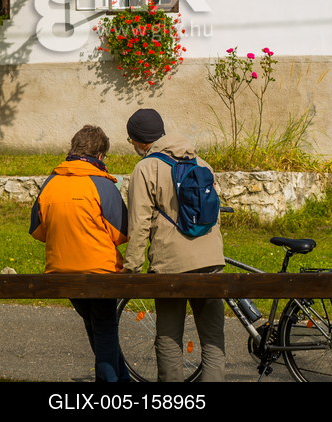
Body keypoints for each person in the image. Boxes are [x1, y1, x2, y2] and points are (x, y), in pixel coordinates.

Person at [121, 108, 225, 382]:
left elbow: (139, 224)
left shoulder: (146, 168)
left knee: (168, 338)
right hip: (211, 262)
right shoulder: (201, 163)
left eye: (131, 141)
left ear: (138, 140)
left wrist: (131, 269)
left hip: (171, 266)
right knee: (213, 339)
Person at [29, 124, 130, 383]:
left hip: (61, 271)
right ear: (100, 156)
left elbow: (38, 230)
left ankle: (123, 379)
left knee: (94, 323)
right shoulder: (102, 185)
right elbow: (122, 232)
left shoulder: (50, 183)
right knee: (104, 327)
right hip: (100, 271)